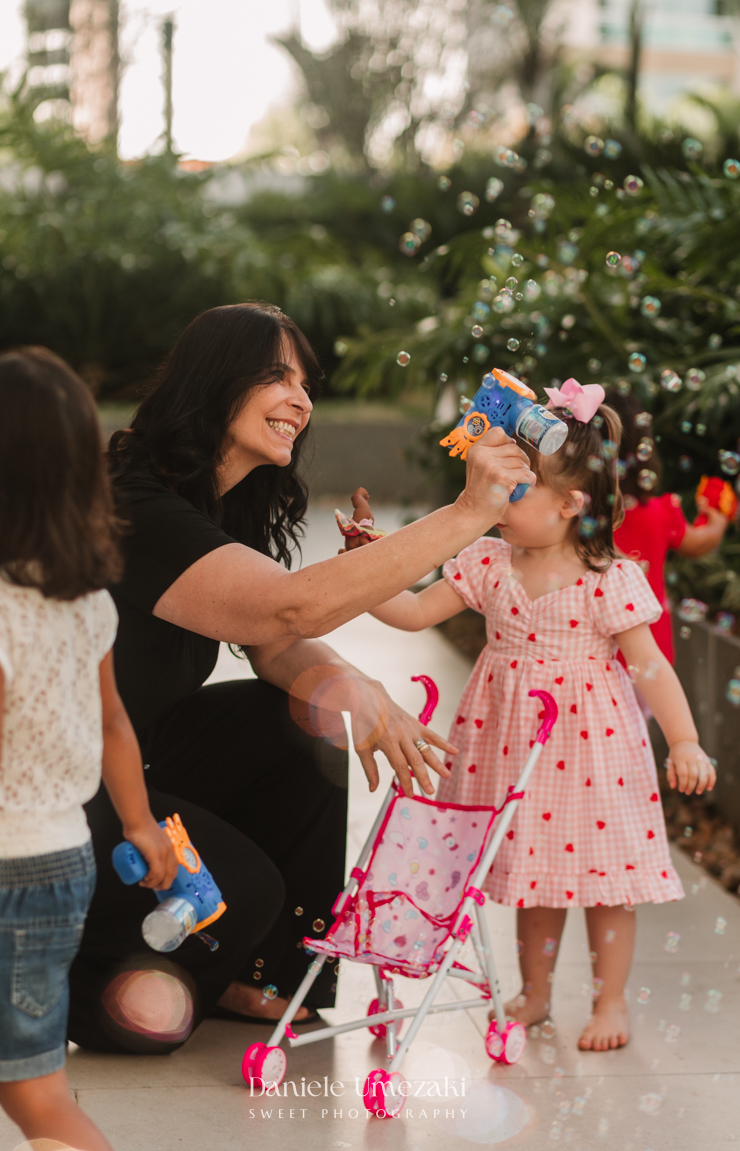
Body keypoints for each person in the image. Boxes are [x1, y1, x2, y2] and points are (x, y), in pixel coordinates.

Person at [68, 302, 535, 1055]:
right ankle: (79, 987)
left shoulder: (220, 500)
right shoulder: (134, 499)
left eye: (305, 383)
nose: (301, 400)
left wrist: (354, 687)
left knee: (305, 717)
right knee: (241, 892)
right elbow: (287, 607)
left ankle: (261, 973)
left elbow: (272, 642)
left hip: (130, 752)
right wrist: (467, 514)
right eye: (276, 377)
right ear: (215, 383)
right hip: (55, 787)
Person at [363, 384, 716, 1052]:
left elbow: (650, 667)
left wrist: (686, 740)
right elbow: (410, 612)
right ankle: (535, 992)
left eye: (514, 492)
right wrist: (362, 571)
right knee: (533, 875)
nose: (496, 503)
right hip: (513, 749)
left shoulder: (607, 577)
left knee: (606, 882)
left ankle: (610, 1003)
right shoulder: (488, 564)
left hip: (594, 753)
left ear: (571, 504)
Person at [0, 350, 175, 1151]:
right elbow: (112, 720)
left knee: (33, 1097)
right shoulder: (82, 597)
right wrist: (142, 825)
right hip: (63, 862)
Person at [606, 389, 728, 664]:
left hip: (594, 655)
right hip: (650, 657)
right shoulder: (661, 511)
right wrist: (716, 522)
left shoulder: (576, 512)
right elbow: (698, 543)